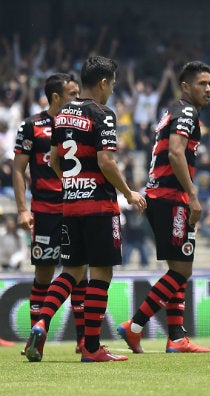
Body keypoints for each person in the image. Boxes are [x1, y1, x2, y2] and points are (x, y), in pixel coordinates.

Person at [25, 55, 147, 362]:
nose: (112, 90)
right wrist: (129, 192)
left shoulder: (63, 114)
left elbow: (53, 160)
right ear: (104, 83)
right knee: (101, 273)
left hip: (69, 206)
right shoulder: (103, 113)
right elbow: (106, 162)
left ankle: (41, 321)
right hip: (99, 207)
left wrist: (71, 184)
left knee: (70, 271)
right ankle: (91, 347)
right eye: (113, 84)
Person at [117, 61, 210, 354]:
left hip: (163, 196)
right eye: (202, 84)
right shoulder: (186, 112)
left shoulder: (172, 111)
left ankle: (176, 337)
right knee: (182, 270)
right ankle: (134, 327)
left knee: (178, 268)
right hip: (172, 197)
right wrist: (193, 195)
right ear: (186, 87)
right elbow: (175, 153)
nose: (208, 89)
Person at [13, 73, 87, 353]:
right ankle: (37, 341)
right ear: (56, 97)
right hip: (45, 212)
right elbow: (18, 170)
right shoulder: (32, 126)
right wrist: (22, 209)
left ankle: (83, 340)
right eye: (72, 94)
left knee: (80, 273)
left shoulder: (79, 125)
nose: (77, 99)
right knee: (44, 275)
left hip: (75, 207)